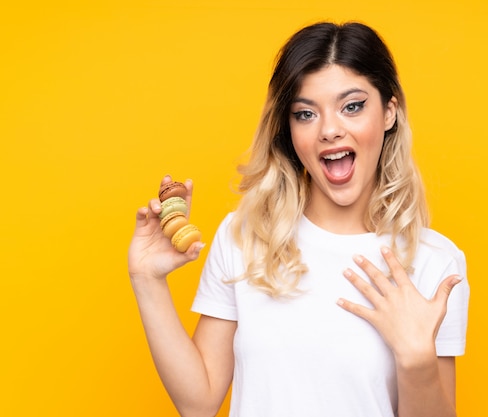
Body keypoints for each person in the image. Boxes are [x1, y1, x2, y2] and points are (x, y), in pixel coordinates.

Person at [128, 21, 469, 417]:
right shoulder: (245, 236)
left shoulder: (433, 262)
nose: (329, 130)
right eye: (305, 114)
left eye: (352, 106)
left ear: (390, 112)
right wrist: (147, 280)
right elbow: (199, 403)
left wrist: (417, 359)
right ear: (288, 130)